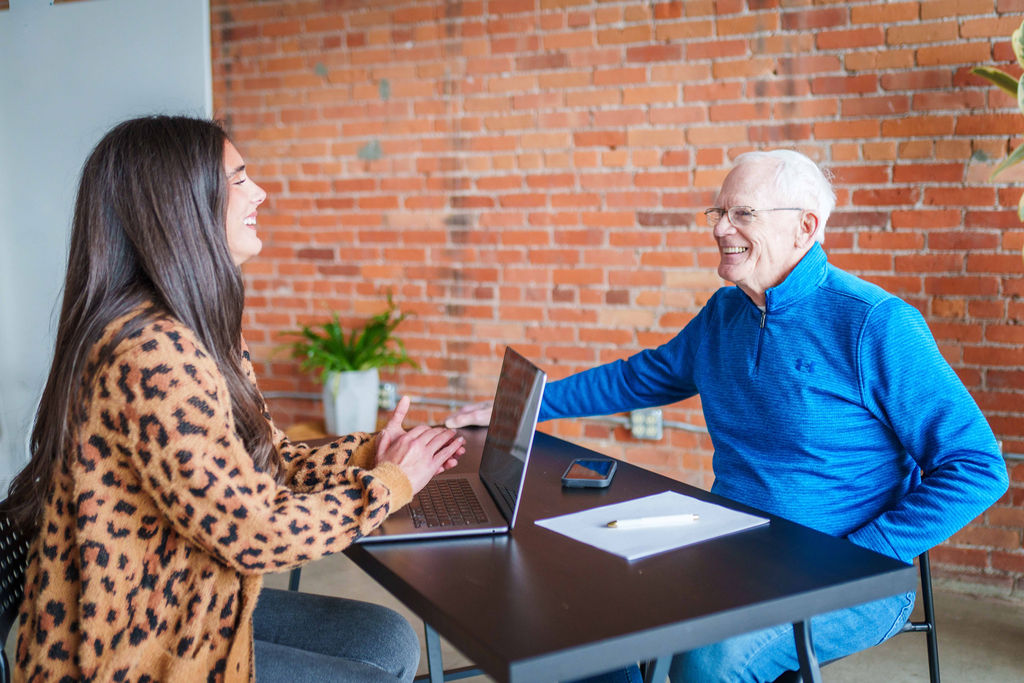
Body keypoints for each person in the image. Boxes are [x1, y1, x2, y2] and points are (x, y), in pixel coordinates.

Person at [447, 149, 1009, 682]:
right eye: (720, 211)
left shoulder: (874, 324)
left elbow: (978, 467)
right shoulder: (725, 313)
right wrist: (521, 411)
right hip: (729, 547)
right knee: (574, 604)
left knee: (710, 663)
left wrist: (860, 555)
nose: (720, 227)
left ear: (805, 228)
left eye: (743, 213)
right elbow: (637, 377)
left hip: (848, 574)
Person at [4, 115, 467, 682]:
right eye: (240, 178)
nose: (261, 193)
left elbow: (266, 462)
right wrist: (390, 485)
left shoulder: (197, 330)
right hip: (130, 655)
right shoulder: (152, 353)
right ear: (181, 207)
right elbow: (257, 532)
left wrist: (373, 454)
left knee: (387, 636)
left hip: (186, 602)